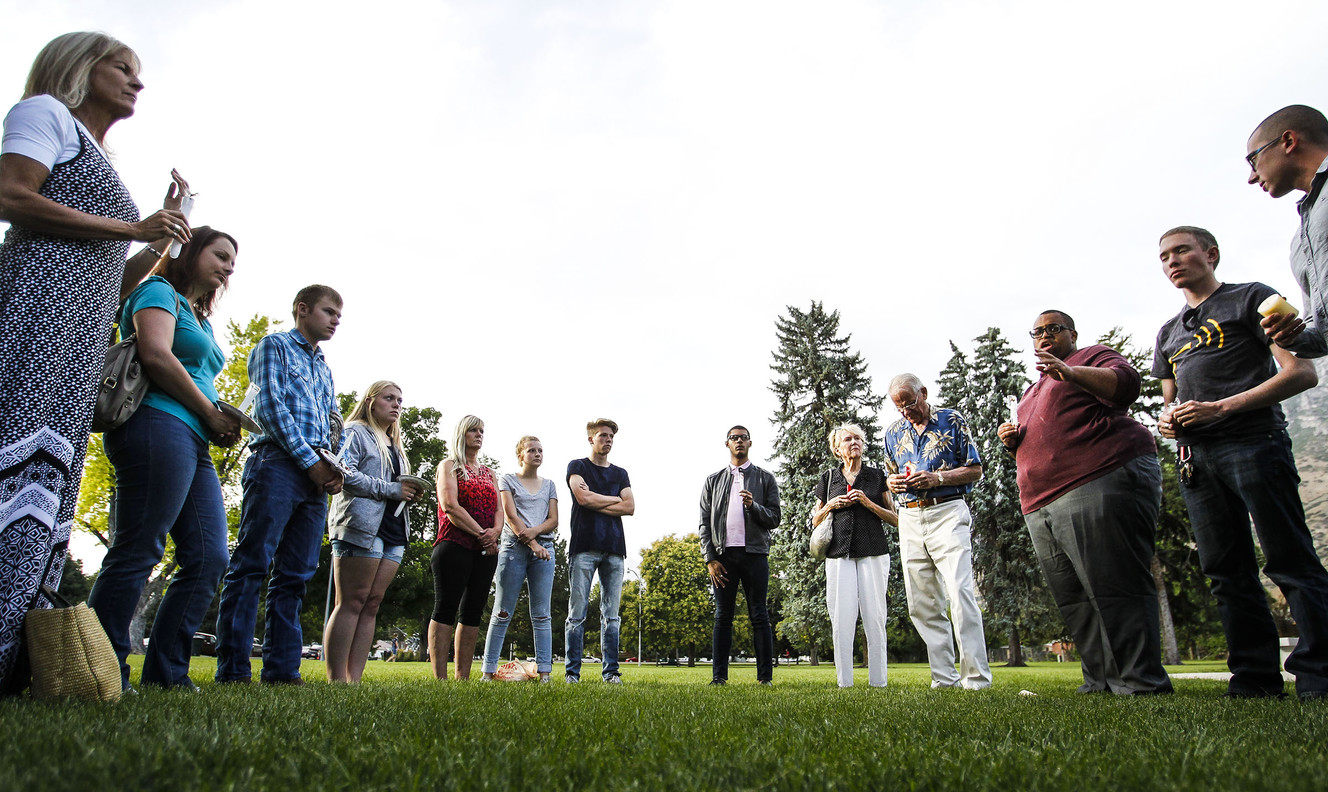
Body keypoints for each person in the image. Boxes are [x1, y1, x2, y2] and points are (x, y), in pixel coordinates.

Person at [0, 31, 193, 690]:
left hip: (80, 341)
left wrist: (160, 235)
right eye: (123, 67)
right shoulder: (44, 114)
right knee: (13, 464)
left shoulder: (102, 160)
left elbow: (114, 278)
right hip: (35, 318)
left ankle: (15, 659)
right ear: (82, 66)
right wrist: (133, 227)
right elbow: (11, 196)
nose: (137, 81)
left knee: (46, 489)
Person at [1154, 226, 1328, 701]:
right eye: (1164, 255)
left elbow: (1301, 371)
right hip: (1196, 460)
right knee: (1226, 573)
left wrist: (1221, 407)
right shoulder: (1168, 333)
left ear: (1210, 254)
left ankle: (1319, 679)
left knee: (1289, 560)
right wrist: (1171, 422)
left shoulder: (1251, 298)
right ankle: (1254, 681)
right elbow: (1170, 400)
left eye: (1182, 250)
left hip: (1254, 442)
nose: (1173, 261)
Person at [84, 228, 241, 692]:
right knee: (139, 549)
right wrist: (209, 411)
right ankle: (103, 672)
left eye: (234, 261)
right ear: (190, 251)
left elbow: (196, 373)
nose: (229, 266)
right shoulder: (157, 290)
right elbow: (155, 355)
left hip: (196, 439)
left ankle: (167, 674)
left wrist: (222, 420)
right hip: (155, 424)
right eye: (221, 254)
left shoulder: (202, 318)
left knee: (210, 556)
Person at [997, 310, 1172, 695]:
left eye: (1053, 329)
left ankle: (1141, 682)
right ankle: (1101, 680)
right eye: (1037, 332)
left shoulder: (1091, 357)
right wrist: (1014, 442)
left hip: (1096, 478)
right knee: (1074, 597)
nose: (1044, 336)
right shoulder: (1030, 392)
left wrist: (1070, 372)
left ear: (1072, 334)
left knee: (1114, 583)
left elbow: (1127, 385)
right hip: (1041, 501)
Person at [214, 285, 345, 685]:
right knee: (252, 564)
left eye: (340, 315)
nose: (336, 319)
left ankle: (282, 671)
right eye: (329, 311)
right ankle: (234, 670)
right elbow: (269, 405)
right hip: (277, 464)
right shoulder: (274, 347)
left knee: (296, 575)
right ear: (302, 310)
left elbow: (333, 421)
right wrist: (309, 461)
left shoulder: (323, 366)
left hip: (316, 475)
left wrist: (331, 460)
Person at [883, 374, 992, 690]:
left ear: (924, 394)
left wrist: (938, 479)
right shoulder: (893, 433)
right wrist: (891, 484)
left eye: (910, 403)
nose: (906, 412)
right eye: (899, 407)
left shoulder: (951, 419)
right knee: (922, 601)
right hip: (910, 517)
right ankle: (944, 678)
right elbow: (891, 474)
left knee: (959, 591)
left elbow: (975, 468)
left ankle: (975, 679)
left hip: (947, 511)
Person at [323, 381, 423, 683]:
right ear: (370, 401)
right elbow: (344, 472)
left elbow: (397, 486)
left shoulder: (395, 443)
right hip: (360, 525)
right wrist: (392, 490)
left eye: (400, 401)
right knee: (352, 601)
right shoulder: (355, 431)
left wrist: (409, 492)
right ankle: (336, 679)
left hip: (393, 530)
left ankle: (354, 679)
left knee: (372, 603)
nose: (396, 405)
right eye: (389, 398)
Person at [811, 424, 895, 688]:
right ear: (837, 448)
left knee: (875, 616)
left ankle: (878, 682)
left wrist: (868, 503)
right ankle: (844, 682)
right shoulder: (828, 479)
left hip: (873, 551)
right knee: (841, 617)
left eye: (858, 438)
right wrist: (831, 507)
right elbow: (815, 520)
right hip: (838, 554)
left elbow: (895, 519)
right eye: (848, 439)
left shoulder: (876, 476)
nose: (854, 442)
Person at [698, 425, 781, 686]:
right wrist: (710, 558)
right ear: (727, 444)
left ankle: (764, 679)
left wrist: (753, 506)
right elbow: (703, 523)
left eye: (744, 438)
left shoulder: (765, 478)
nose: (739, 442)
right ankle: (719, 677)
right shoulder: (713, 480)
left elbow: (775, 518)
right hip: (723, 558)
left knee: (759, 615)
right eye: (734, 438)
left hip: (755, 555)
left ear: (750, 443)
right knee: (723, 616)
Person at [1244, 105, 1328, 360]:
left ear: (1288, 141)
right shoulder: (1300, 242)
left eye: (1253, 159)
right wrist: (1293, 335)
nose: (1251, 177)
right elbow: (1322, 334)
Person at [429, 415, 502, 681]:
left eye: (482, 430)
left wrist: (493, 534)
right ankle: (440, 678)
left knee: (473, 610)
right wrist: (482, 534)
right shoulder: (449, 466)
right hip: (454, 544)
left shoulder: (489, 473)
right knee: (445, 607)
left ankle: (463, 677)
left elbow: (498, 510)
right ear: (462, 433)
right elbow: (450, 506)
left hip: (486, 550)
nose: (479, 434)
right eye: (473, 430)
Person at [481, 436, 559, 683]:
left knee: (542, 614)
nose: (537, 454)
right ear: (520, 456)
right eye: (531, 450)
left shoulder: (549, 485)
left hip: (544, 550)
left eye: (540, 450)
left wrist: (536, 536)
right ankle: (488, 671)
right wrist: (532, 543)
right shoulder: (508, 480)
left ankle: (545, 672)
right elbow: (511, 517)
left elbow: (553, 520)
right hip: (514, 549)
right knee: (502, 611)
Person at [565, 418, 634, 684]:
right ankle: (573, 673)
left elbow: (630, 507)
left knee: (612, 616)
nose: (608, 439)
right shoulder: (577, 466)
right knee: (577, 614)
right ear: (591, 438)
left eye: (611, 436)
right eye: (603, 435)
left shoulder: (620, 473)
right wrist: (615, 498)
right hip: (584, 547)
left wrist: (597, 499)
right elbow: (582, 498)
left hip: (615, 549)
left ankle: (611, 673)